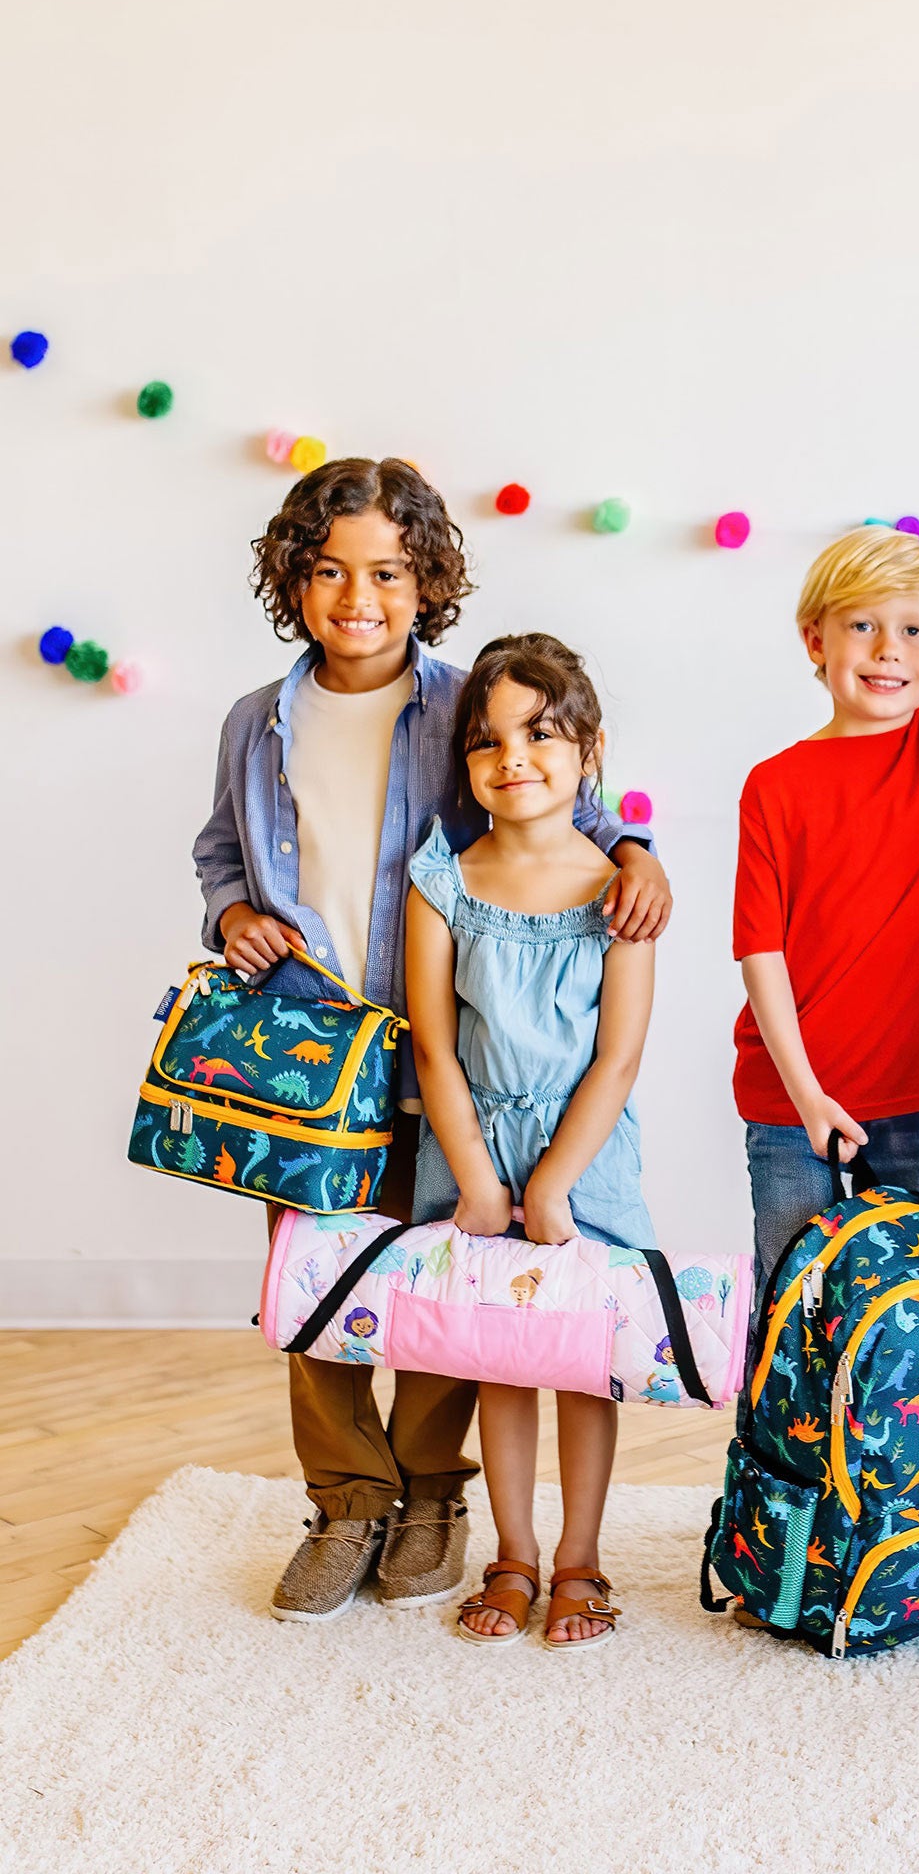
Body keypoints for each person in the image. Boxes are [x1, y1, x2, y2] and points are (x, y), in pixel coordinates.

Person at [193, 460, 670, 1623]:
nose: (357, 597)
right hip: (303, 1059)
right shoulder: (256, 721)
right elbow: (219, 852)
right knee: (317, 1284)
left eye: (388, 573)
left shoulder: (465, 707)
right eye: (329, 571)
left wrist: (640, 855)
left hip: (443, 1054)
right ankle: (346, 1498)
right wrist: (232, 911)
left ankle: (431, 1493)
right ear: (293, 581)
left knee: (447, 1276)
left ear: (426, 583)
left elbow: (572, 806)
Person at [406, 634, 656, 1649]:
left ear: (587, 750)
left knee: (582, 1358)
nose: (513, 756)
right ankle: (512, 1553)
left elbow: (619, 1057)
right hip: (472, 1147)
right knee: (500, 1358)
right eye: (488, 740)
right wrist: (477, 1178)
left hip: (585, 1154)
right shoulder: (443, 880)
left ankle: (580, 1558)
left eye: (540, 733)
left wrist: (552, 1185)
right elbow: (433, 1044)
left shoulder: (620, 890)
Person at [733, 526, 919, 1287]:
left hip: (914, 1099)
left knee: (917, 1307)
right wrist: (807, 1097)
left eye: (913, 630)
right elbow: (760, 951)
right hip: (791, 1101)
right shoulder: (775, 784)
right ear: (814, 640)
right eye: (862, 625)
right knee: (794, 1306)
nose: (888, 650)